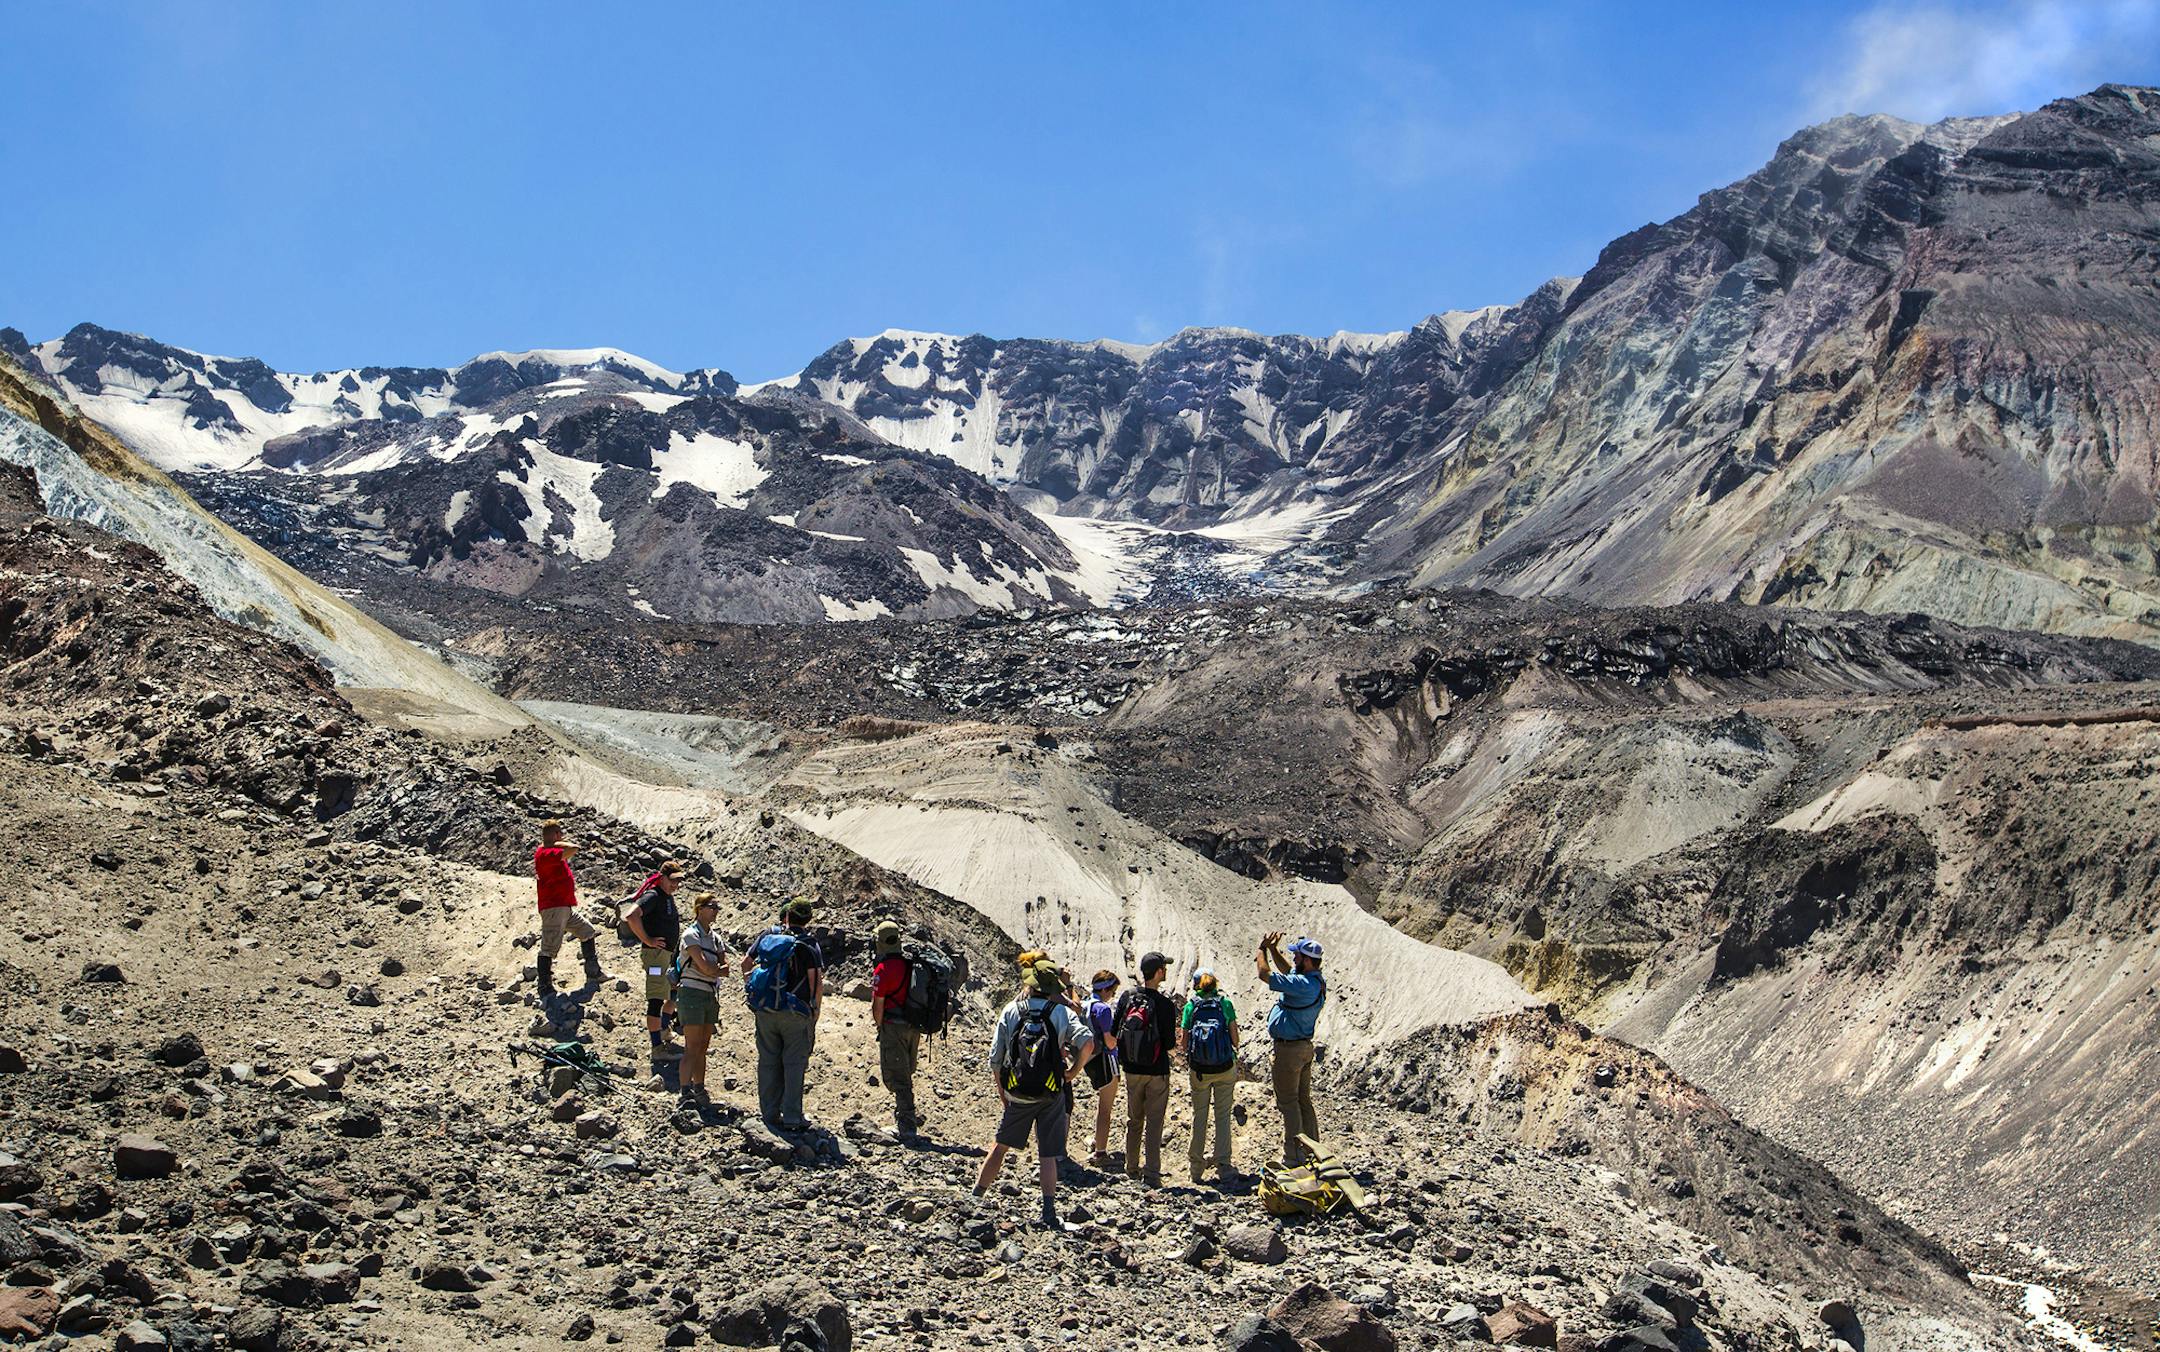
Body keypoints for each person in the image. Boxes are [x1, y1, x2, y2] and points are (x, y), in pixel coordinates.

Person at [973, 960, 1095, 1230]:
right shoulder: (1062, 1013)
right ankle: (1048, 1210)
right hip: (1052, 1091)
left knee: (1001, 1145)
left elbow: (996, 1058)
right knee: (1048, 1153)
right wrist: (1072, 1073)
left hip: (1018, 1090)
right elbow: (1087, 1043)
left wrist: (1002, 1091)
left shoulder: (1011, 1010)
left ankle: (976, 1196)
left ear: (1029, 984)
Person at [743, 896, 824, 1130]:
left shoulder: (768, 938)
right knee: (794, 1063)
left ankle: (769, 1113)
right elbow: (815, 982)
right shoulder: (809, 945)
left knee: (768, 1060)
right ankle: (791, 1117)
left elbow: (745, 964)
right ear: (808, 918)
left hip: (766, 1009)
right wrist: (814, 1012)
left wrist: (753, 990)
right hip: (796, 1013)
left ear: (787, 916)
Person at [1256, 931, 1327, 1166]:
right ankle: (1313, 1149)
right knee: (1303, 1101)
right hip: (1304, 1048)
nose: (1294, 958)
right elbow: (1288, 971)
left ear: (1307, 960)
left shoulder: (1303, 985)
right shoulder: (1313, 981)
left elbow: (1264, 974)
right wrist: (1275, 951)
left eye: (1297, 955)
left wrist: (1262, 949)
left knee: (1288, 1103)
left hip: (1289, 1051)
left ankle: (1294, 1155)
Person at [1113, 952, 1179, 1187]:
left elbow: (1114, 1033)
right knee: (1154, 1123)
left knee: (1134, 1119)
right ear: (1159, 972)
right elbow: (1170, 1044)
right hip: (1157, 1071)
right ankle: (1151, 1173)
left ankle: (1131, 1168)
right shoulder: (1164, 1005)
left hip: (1131, 1070)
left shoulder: (1127, 997)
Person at [1179, 969, 1242, 1184]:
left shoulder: (1191, 1006)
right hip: (1225, 1067)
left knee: (1200, 1116)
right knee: (1223, 1115)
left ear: (1196, 985)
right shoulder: (1225, 1004)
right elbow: (1235, 1039)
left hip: (1199, 1071)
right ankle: (1223, 1165)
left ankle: (1196, 1169)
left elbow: (1184, 1043)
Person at [622, 861, 686, 1060]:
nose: (676, 885)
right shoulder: (653, 895)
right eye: (673, 880)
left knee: (673, 991)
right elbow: (631, 916)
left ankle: (664, 1028)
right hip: (656, 958)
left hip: (666, 955)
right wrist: (647, 940)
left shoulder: (665, 897)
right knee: (656, 999)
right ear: (662, 877)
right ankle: (657, 1048)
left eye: (678, 881)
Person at [532, 820, 601, 997]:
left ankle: (593, 972)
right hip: (554, 907)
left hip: (564, 907)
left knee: (587, 931)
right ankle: (544, 985)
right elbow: (573, 848)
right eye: (559, 834)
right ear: (555, 835)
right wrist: (557, 842)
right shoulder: (547, 853)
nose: (562, 836)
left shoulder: (546, 851)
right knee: (549, 946)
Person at [674, 892, 727, 1108]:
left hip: (709, 993)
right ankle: (685, 1090)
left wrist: (710, 970)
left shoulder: (716, 938)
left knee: (703, 1045)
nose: (715, 910)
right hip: (691, 992)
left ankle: (699, 1086)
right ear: (700, 908)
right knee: (692, 1045)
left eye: (716, 907)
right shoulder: (690, 935)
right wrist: (712, 970)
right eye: (711, 906)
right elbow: (707, 966)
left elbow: (724, 968)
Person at [870, 919, 922, 1137]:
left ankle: (907, 1124)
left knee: (897, 1075)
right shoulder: (911, 965)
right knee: (906, 1070)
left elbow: (878, 1004)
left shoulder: (883, 969)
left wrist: (880, 1025)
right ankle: (905, 1113)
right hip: (914, 1025)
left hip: (893, 1026)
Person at [1084, 971, 1121, 1168]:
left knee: (1102, 1106)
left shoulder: (1084, 1005)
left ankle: (1098, 1144)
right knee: (1105, 1109)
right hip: (1107, 1060)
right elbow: (1110, 1041)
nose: (1113, 995)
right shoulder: (1103, 1009)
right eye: (1112, 991)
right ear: (1105, 989)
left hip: (1090, 1060)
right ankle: (1100, 1153)